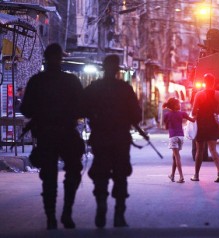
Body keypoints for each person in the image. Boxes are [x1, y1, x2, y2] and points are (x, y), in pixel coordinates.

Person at [20, 43, 84, 230]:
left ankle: (51, 218)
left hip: (46, 135)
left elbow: (26, 109)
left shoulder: (36, 81)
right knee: (73, 171)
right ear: (60, 58)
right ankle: (66, 213)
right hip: (66, 133)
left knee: (49, 178)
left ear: (46, 58)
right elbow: (82, 107)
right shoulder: (71, 81)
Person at [81, 54, 142, 228]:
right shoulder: (124, 89)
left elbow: (81, 108)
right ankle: (119, 215)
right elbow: (136, 115)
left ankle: (101, 205)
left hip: (100, 139)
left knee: (101, 174)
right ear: (117, 70)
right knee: (120, 175)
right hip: (120, 140)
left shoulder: (94, 88)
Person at [191, 73, 219, 183]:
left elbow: (193, 110)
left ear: (204, 82)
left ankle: (196, 175)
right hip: (213, 123)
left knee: (200, 150)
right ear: (213, 82)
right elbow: (218, 106)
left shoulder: (199, 94)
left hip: (202, 123)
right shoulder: (218, 94)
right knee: (213, 149)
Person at [163, 97, 195, 183]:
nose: (180, 105)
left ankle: (181, 177)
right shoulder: (182, 113)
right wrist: (197, 114)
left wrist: (169, 125)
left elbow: (165, 127)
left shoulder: (167, 115)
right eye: (178, 104)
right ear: (174, 105)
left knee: (177, 157)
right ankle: (172, 175)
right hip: (181, 137)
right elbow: (193, 120)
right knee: (175, 157)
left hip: (173, 137)